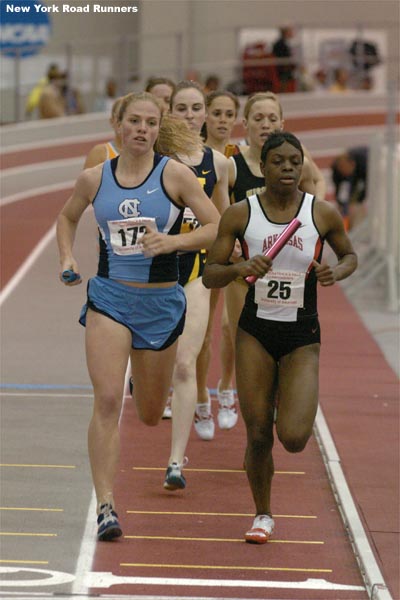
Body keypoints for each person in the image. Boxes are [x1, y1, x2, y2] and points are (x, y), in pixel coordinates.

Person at [56, 91, 220, 541]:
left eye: (151, 122)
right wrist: (67, 258)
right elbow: (67, 217)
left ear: (157, 127)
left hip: (162, 303)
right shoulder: (94, 178)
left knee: (149, 413)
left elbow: (216, 226)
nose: (142, 130)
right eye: (135, 121)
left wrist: (173, 243)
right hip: (109, 299)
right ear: (119, 125)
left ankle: (143, 382)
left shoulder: (176, 175)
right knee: (107, 401)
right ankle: (106, 506)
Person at [202, 131, 357, 543]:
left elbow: (350, 255)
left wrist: (333, 272)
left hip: (302, 335)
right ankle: (263, 514)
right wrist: (239, 268)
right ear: (263, 167)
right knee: (257, 435)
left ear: (302, 166)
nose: (288, 168)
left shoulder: (319, 213)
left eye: (295, 161)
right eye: (279, 162)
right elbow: (209, 273)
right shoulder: (240, 214)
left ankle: (280, 401)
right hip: (255, 331)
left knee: (292, 438)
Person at [200, 91, 327, 443]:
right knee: (233, 329)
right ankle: (231, 390)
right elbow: (222, 205)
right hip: (247, 267)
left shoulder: (293, 159)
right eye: (259, 118)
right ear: (247, 123)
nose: (265, 125)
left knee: (284, 334)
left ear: (282, 124)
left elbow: (316, 183)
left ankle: (276, 396)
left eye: (272, 119)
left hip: (288, 271)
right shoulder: (231, 160)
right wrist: (235, 247)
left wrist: (317, 227)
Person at [163, 80, 230, 489]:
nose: (190, 115)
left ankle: (175, 462)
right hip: (151, 270)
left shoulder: (218, 163)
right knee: (154, 387)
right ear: (170, 112)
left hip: (195, 272)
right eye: (182, 108)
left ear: (206, 115)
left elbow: (224, 221)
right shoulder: (156, 156)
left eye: (196, 108)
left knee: (187, 362)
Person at [195, 90, 241, 439]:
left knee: (232, 328)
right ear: (205, 116)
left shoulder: (242, 156)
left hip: (238, 250)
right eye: (217, 113)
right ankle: (200, 399)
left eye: (229, 114)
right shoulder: (196, 157)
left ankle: (227, 387)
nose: (223, 120)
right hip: (207, 248)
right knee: (203, 331)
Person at [331, 146, 369, 230]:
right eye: (341, 170)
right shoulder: (337, 170)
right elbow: (338, 188)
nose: (343, 172)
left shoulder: (364, 164)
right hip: (355, 170)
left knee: (356, 206)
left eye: (345, 169)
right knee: (344, 207)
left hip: (371, 161)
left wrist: (356, 202)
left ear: (352, 164)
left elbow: (366, 187)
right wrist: (342, 205)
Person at [84, 96, 124, 168]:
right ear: (112, 121)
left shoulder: (143, 153)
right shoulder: (100, 153)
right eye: (119, 117)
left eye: (132, 119)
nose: (122, 123)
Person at [272, 25, 297, 92]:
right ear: (286, 32)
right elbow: (283, 60)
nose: (292, 33)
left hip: (284, 71)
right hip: (283, 73)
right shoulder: (280, 44)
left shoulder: (283, 43)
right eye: (290, 31)